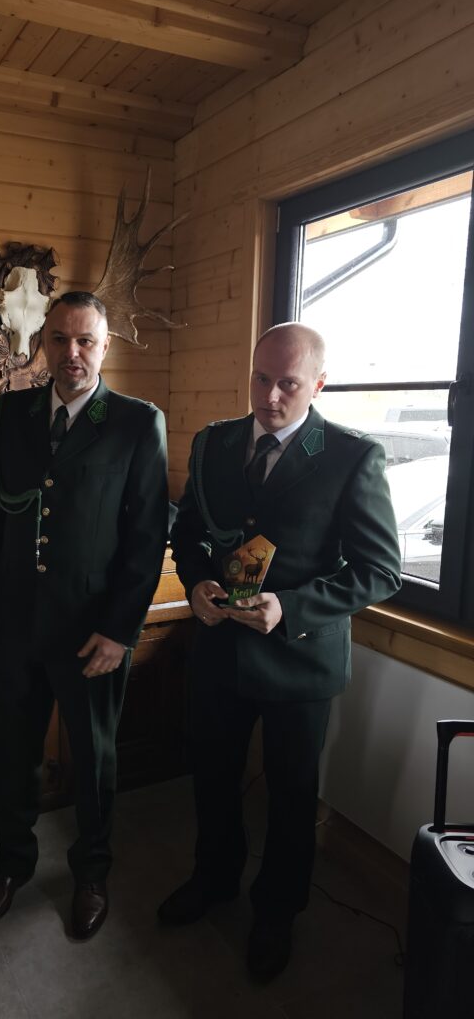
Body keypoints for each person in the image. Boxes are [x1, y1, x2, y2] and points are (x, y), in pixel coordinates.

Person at [158, 323, 401, 981]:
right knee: (212, 776)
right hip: (219, 649)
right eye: (261, 379)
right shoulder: (213, 443)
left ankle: (277, 912)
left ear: (318, 384)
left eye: (288, 384)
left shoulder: (351, 455)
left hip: (300, 660)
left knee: (292, 796)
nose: (269, 397)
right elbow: (188, 531)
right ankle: (214, 880)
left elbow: (381, 570)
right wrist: (196, 583)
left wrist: (290, 607)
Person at [0, 291, 169, 940]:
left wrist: (120, 631)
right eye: (60, 339)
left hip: (92, 632)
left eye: (86, 341)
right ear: (42, 344)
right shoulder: (13, 410)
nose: (72, 353)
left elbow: (146, 539)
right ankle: (11, 865)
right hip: (16, 623)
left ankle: (92, 873)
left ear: (106, 346)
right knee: (12, 752)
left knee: (94, 759)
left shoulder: (137, 422)